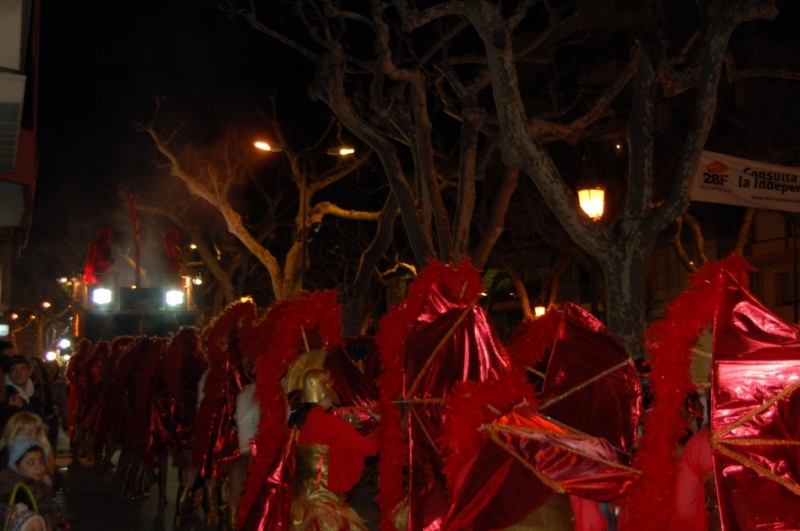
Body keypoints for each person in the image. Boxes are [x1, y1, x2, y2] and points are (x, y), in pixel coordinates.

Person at [285, 350, 378, 531]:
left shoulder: (296, 422)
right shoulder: (331, 423)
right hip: (328, 509)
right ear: (322, 390)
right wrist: (383, 428)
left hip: (300, 509)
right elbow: (371, 449)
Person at [0, 436, 58, 531]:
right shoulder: (16, 490)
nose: (38, 467)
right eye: (31, 462)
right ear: (15, 466)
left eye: (41, 461)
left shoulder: (35, 483)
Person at [0, 413, 56, 480]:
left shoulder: (44, 454)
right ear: (14, 435)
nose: (34, 437)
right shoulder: (3, 461)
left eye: (37, 433)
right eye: (29, 433)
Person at [0, 356, 50, 430]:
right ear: (9, 374)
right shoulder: (5, 395)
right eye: (14, 369)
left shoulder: (35, 393)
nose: (18, 373)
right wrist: (11, 410)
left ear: (29, 372)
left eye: (23, 369)